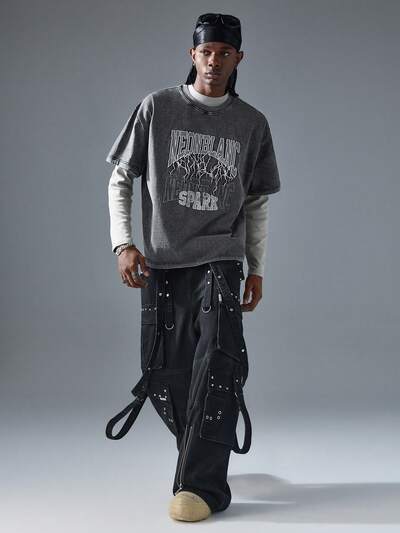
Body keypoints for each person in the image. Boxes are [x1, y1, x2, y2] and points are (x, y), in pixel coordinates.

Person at [104, 13, 281, 522]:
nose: (214, 61)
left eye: (225, 53)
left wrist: (257, 267)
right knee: (166, 370)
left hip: (221, 258)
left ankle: (201, 485)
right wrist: (123, 244)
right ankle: (200, 452)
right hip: (162, 261)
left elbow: (257, 203)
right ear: (193, 55)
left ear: (239, 59)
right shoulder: (157, 107)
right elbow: (121, 177)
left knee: (219, 358)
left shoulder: (252, 123)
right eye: (207, 52)